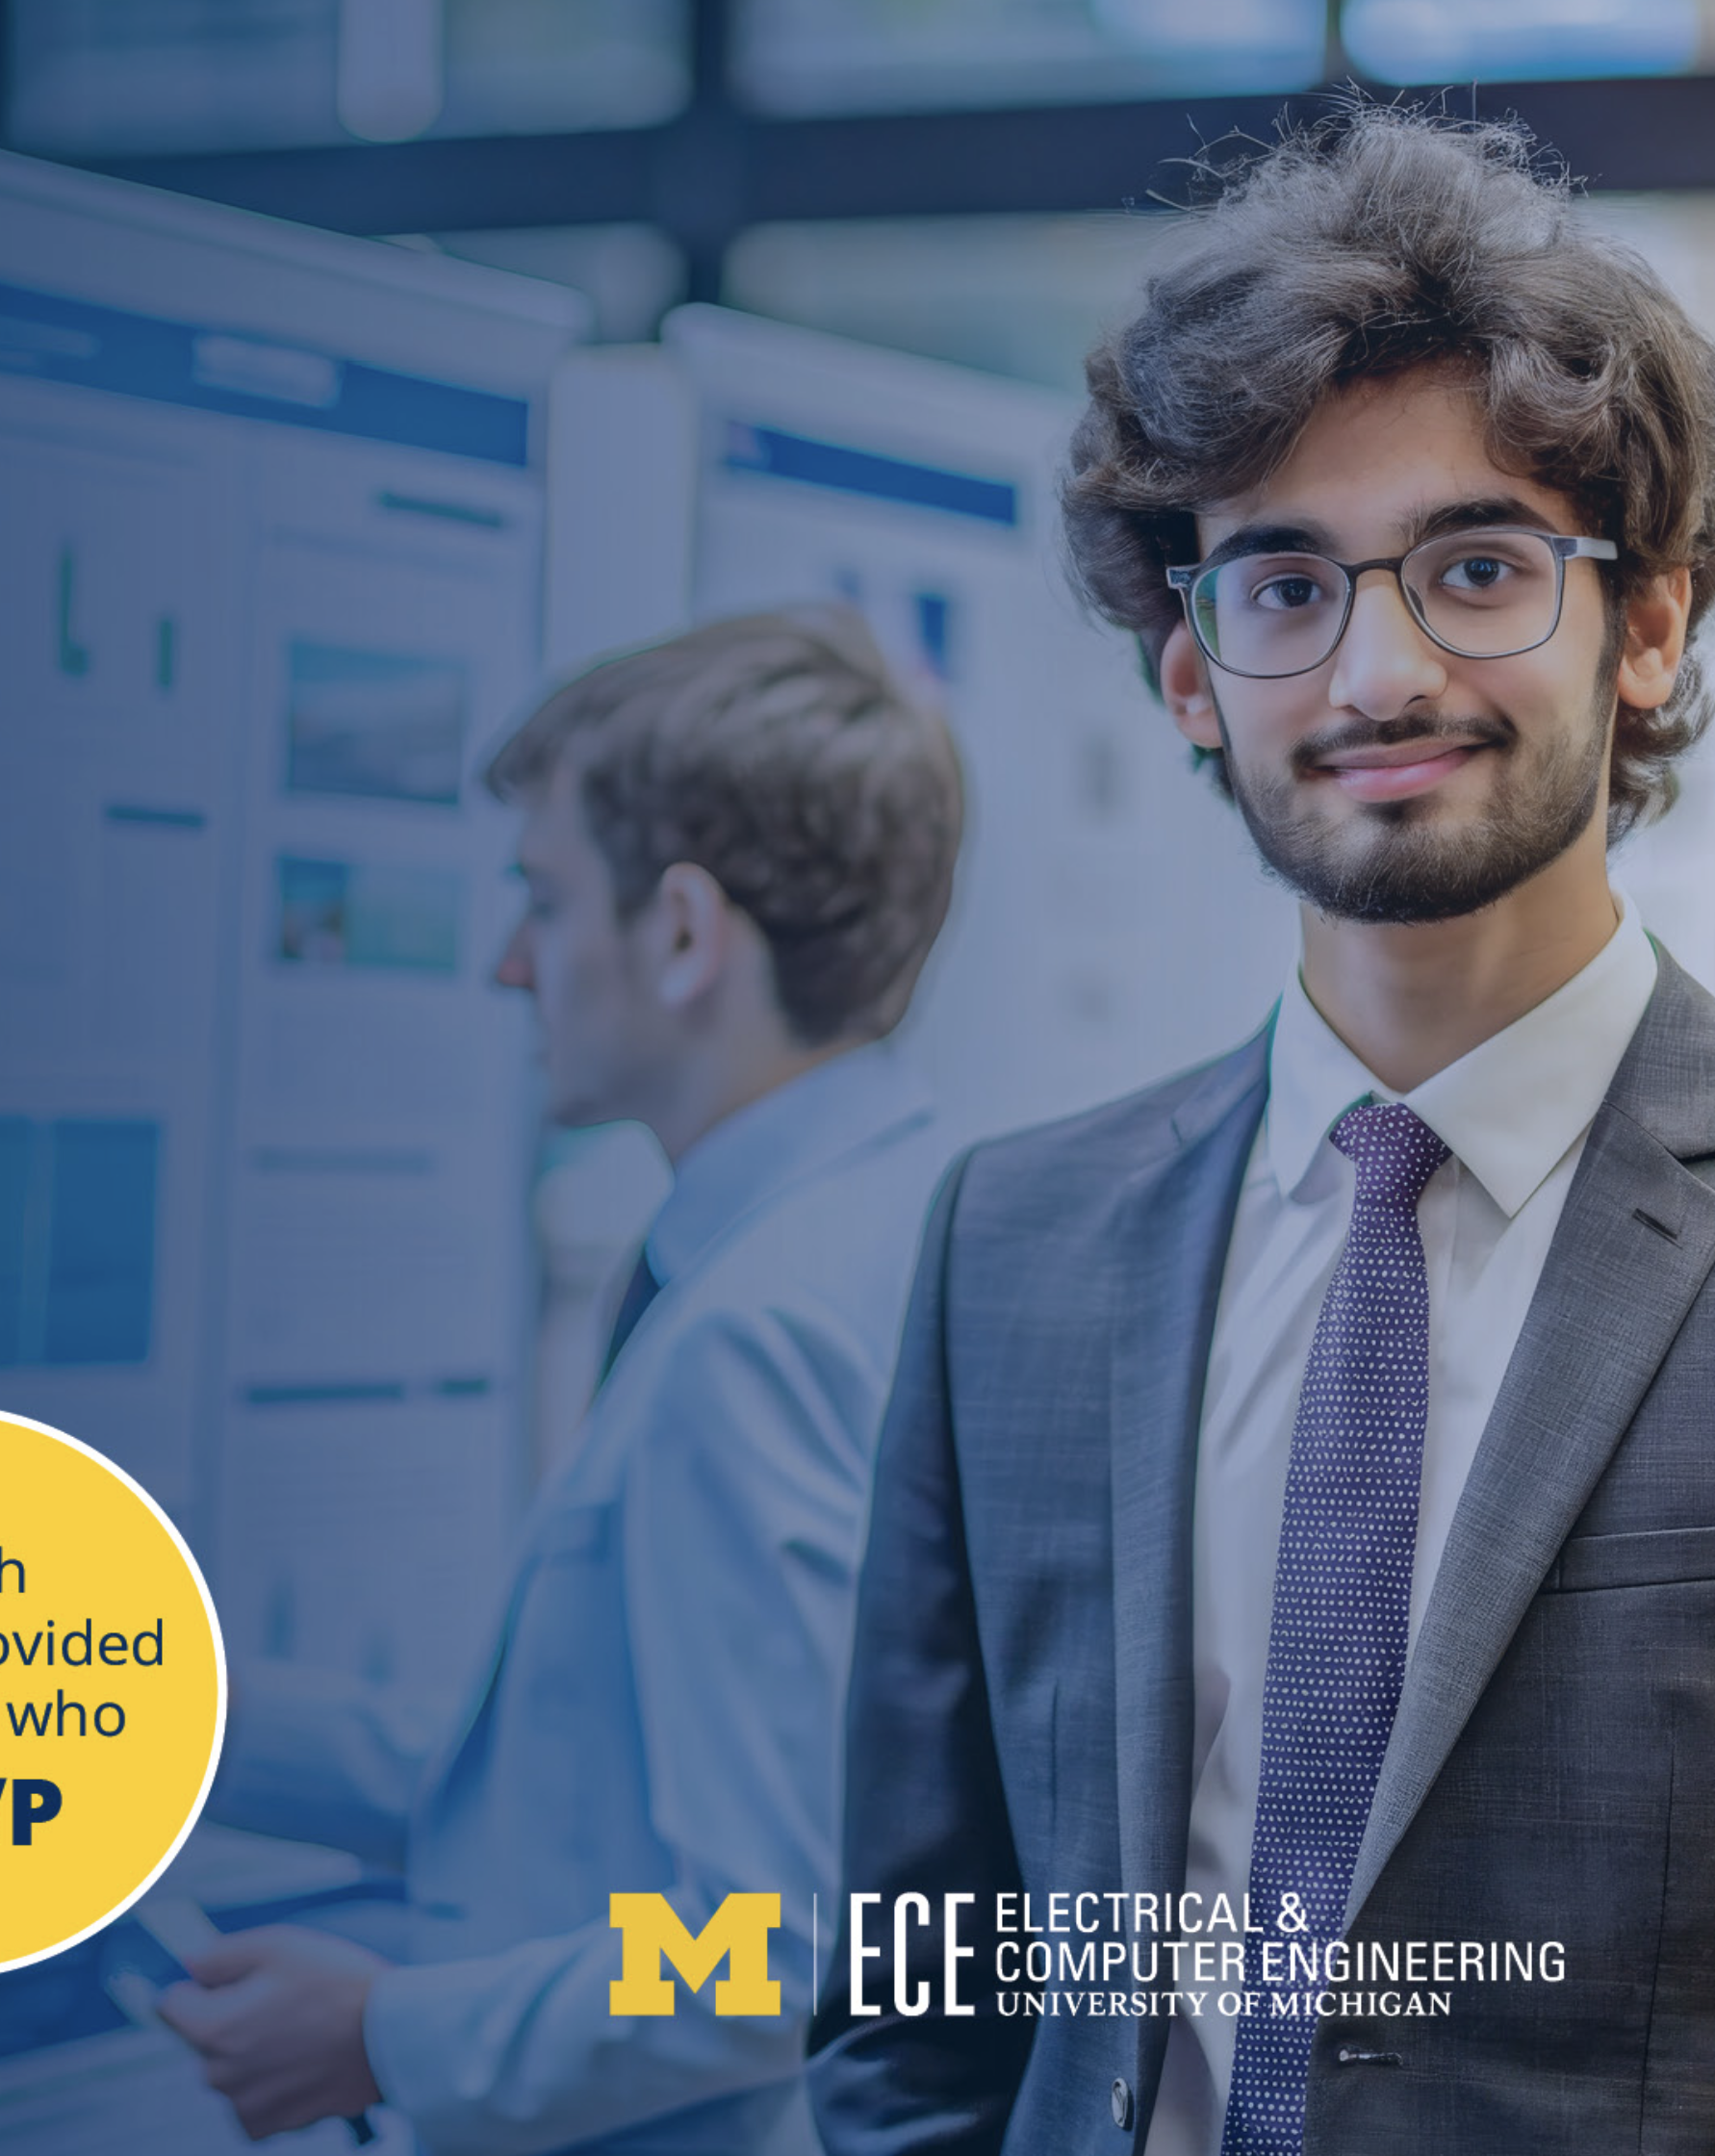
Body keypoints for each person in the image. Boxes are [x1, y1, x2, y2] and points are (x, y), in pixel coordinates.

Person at [810, 104, 1715, 2154]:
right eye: (1283, 584)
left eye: (1474, 566)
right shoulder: (1011, 1254)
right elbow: (917, 1976)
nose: (1375, 670)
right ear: (1184, 671)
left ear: (1644, 622)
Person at [161, 603, 964, 2150]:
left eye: (543, 899)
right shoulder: (913, 1215)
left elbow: (773, 1944)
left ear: (680, 933)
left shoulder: (758, 1333)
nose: (511, 965)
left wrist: (384, 2031)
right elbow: (562, 1777)